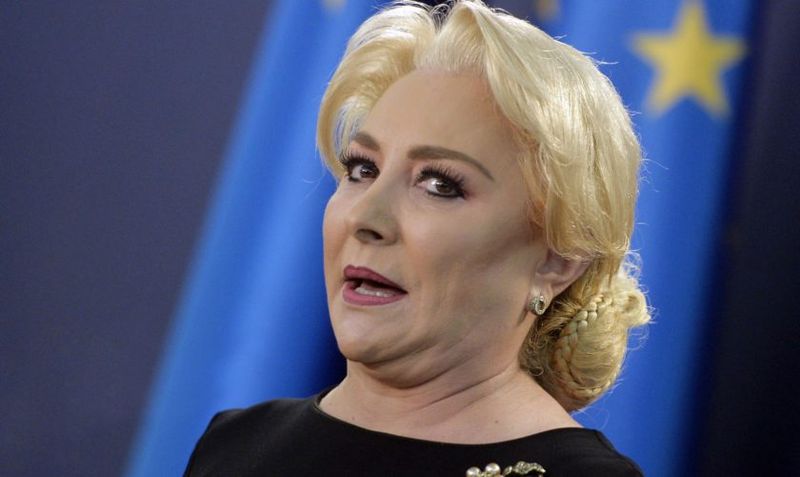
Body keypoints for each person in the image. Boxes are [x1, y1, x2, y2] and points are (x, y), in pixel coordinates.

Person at [183, 1, 650, 475]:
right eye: (362, 169)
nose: (365, 217)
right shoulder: (233, 445)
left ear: (557, 259)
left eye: (439, 184)